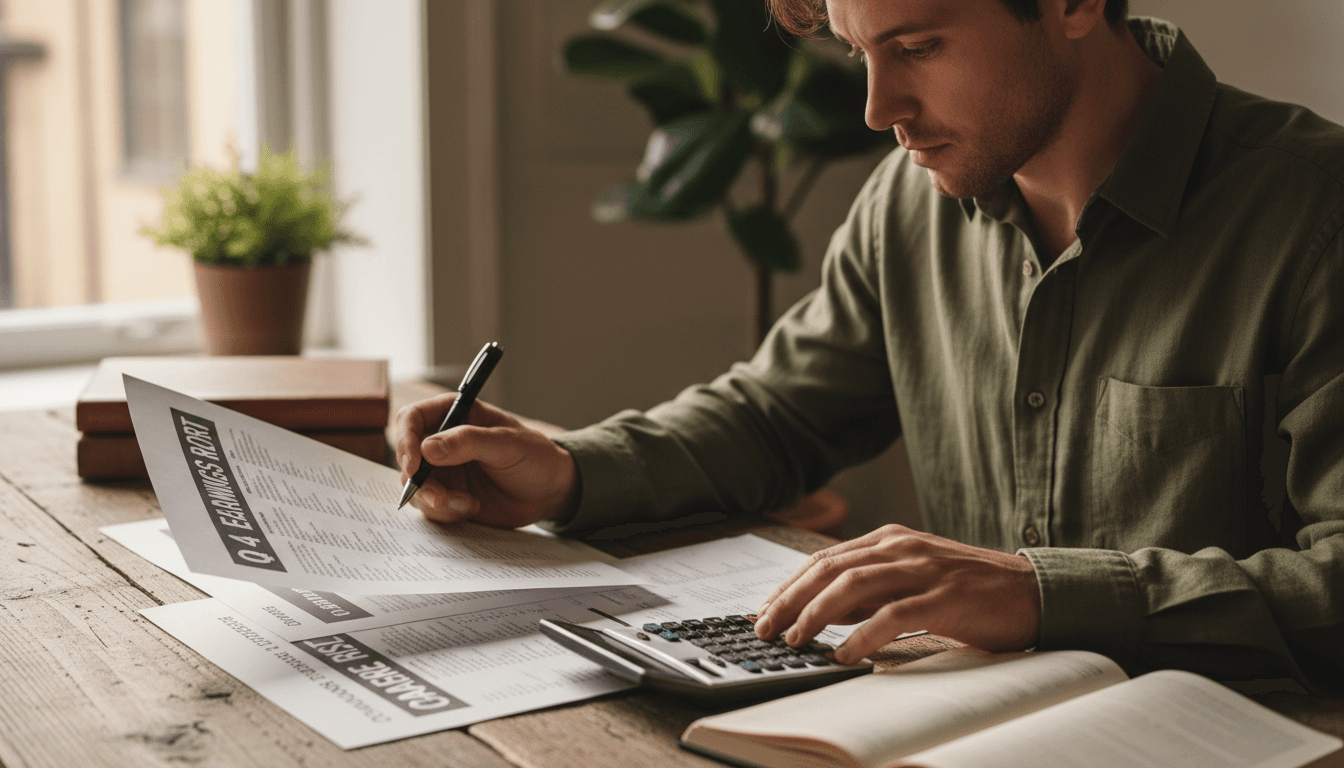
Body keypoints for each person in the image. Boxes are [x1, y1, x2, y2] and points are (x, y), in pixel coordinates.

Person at [396, 0, 1343, 692]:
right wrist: (567, 471)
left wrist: (1040, 591)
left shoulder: (1316, 214)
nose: (877, 108)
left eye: (919, 46)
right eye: (858, 53)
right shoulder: (908, 205)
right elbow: (774, 416)